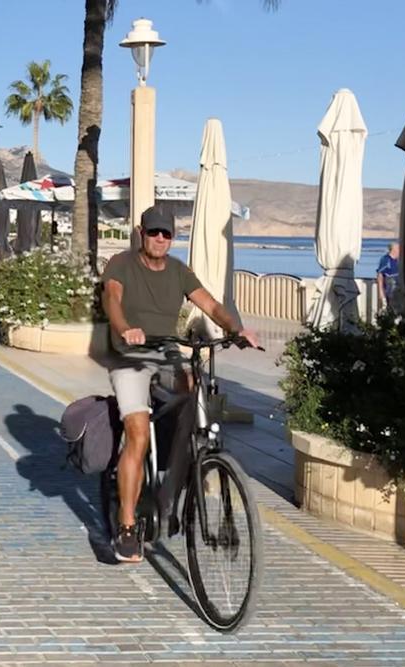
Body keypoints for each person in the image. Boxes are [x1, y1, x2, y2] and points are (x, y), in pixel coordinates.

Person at [101, 206, 261, 563]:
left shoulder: (178, 271)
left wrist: (237, 329)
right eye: (154, 232)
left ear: (173, 238)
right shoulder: (121, 264)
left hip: (167, 351)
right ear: (141, 232)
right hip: (130, 354)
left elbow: (211, 304)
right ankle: (127, 527)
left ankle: (182, 469)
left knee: (196, 393)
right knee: (139, 433)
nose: (160, 239)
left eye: (166, 234)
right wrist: (124, 327)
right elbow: (112, 298)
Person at [376, 242, 401, 309]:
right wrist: (381, 292)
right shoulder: (386, 260)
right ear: (394, 250)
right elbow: (380, 275)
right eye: (399, 248)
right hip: (390, 288)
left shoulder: (399, 261)